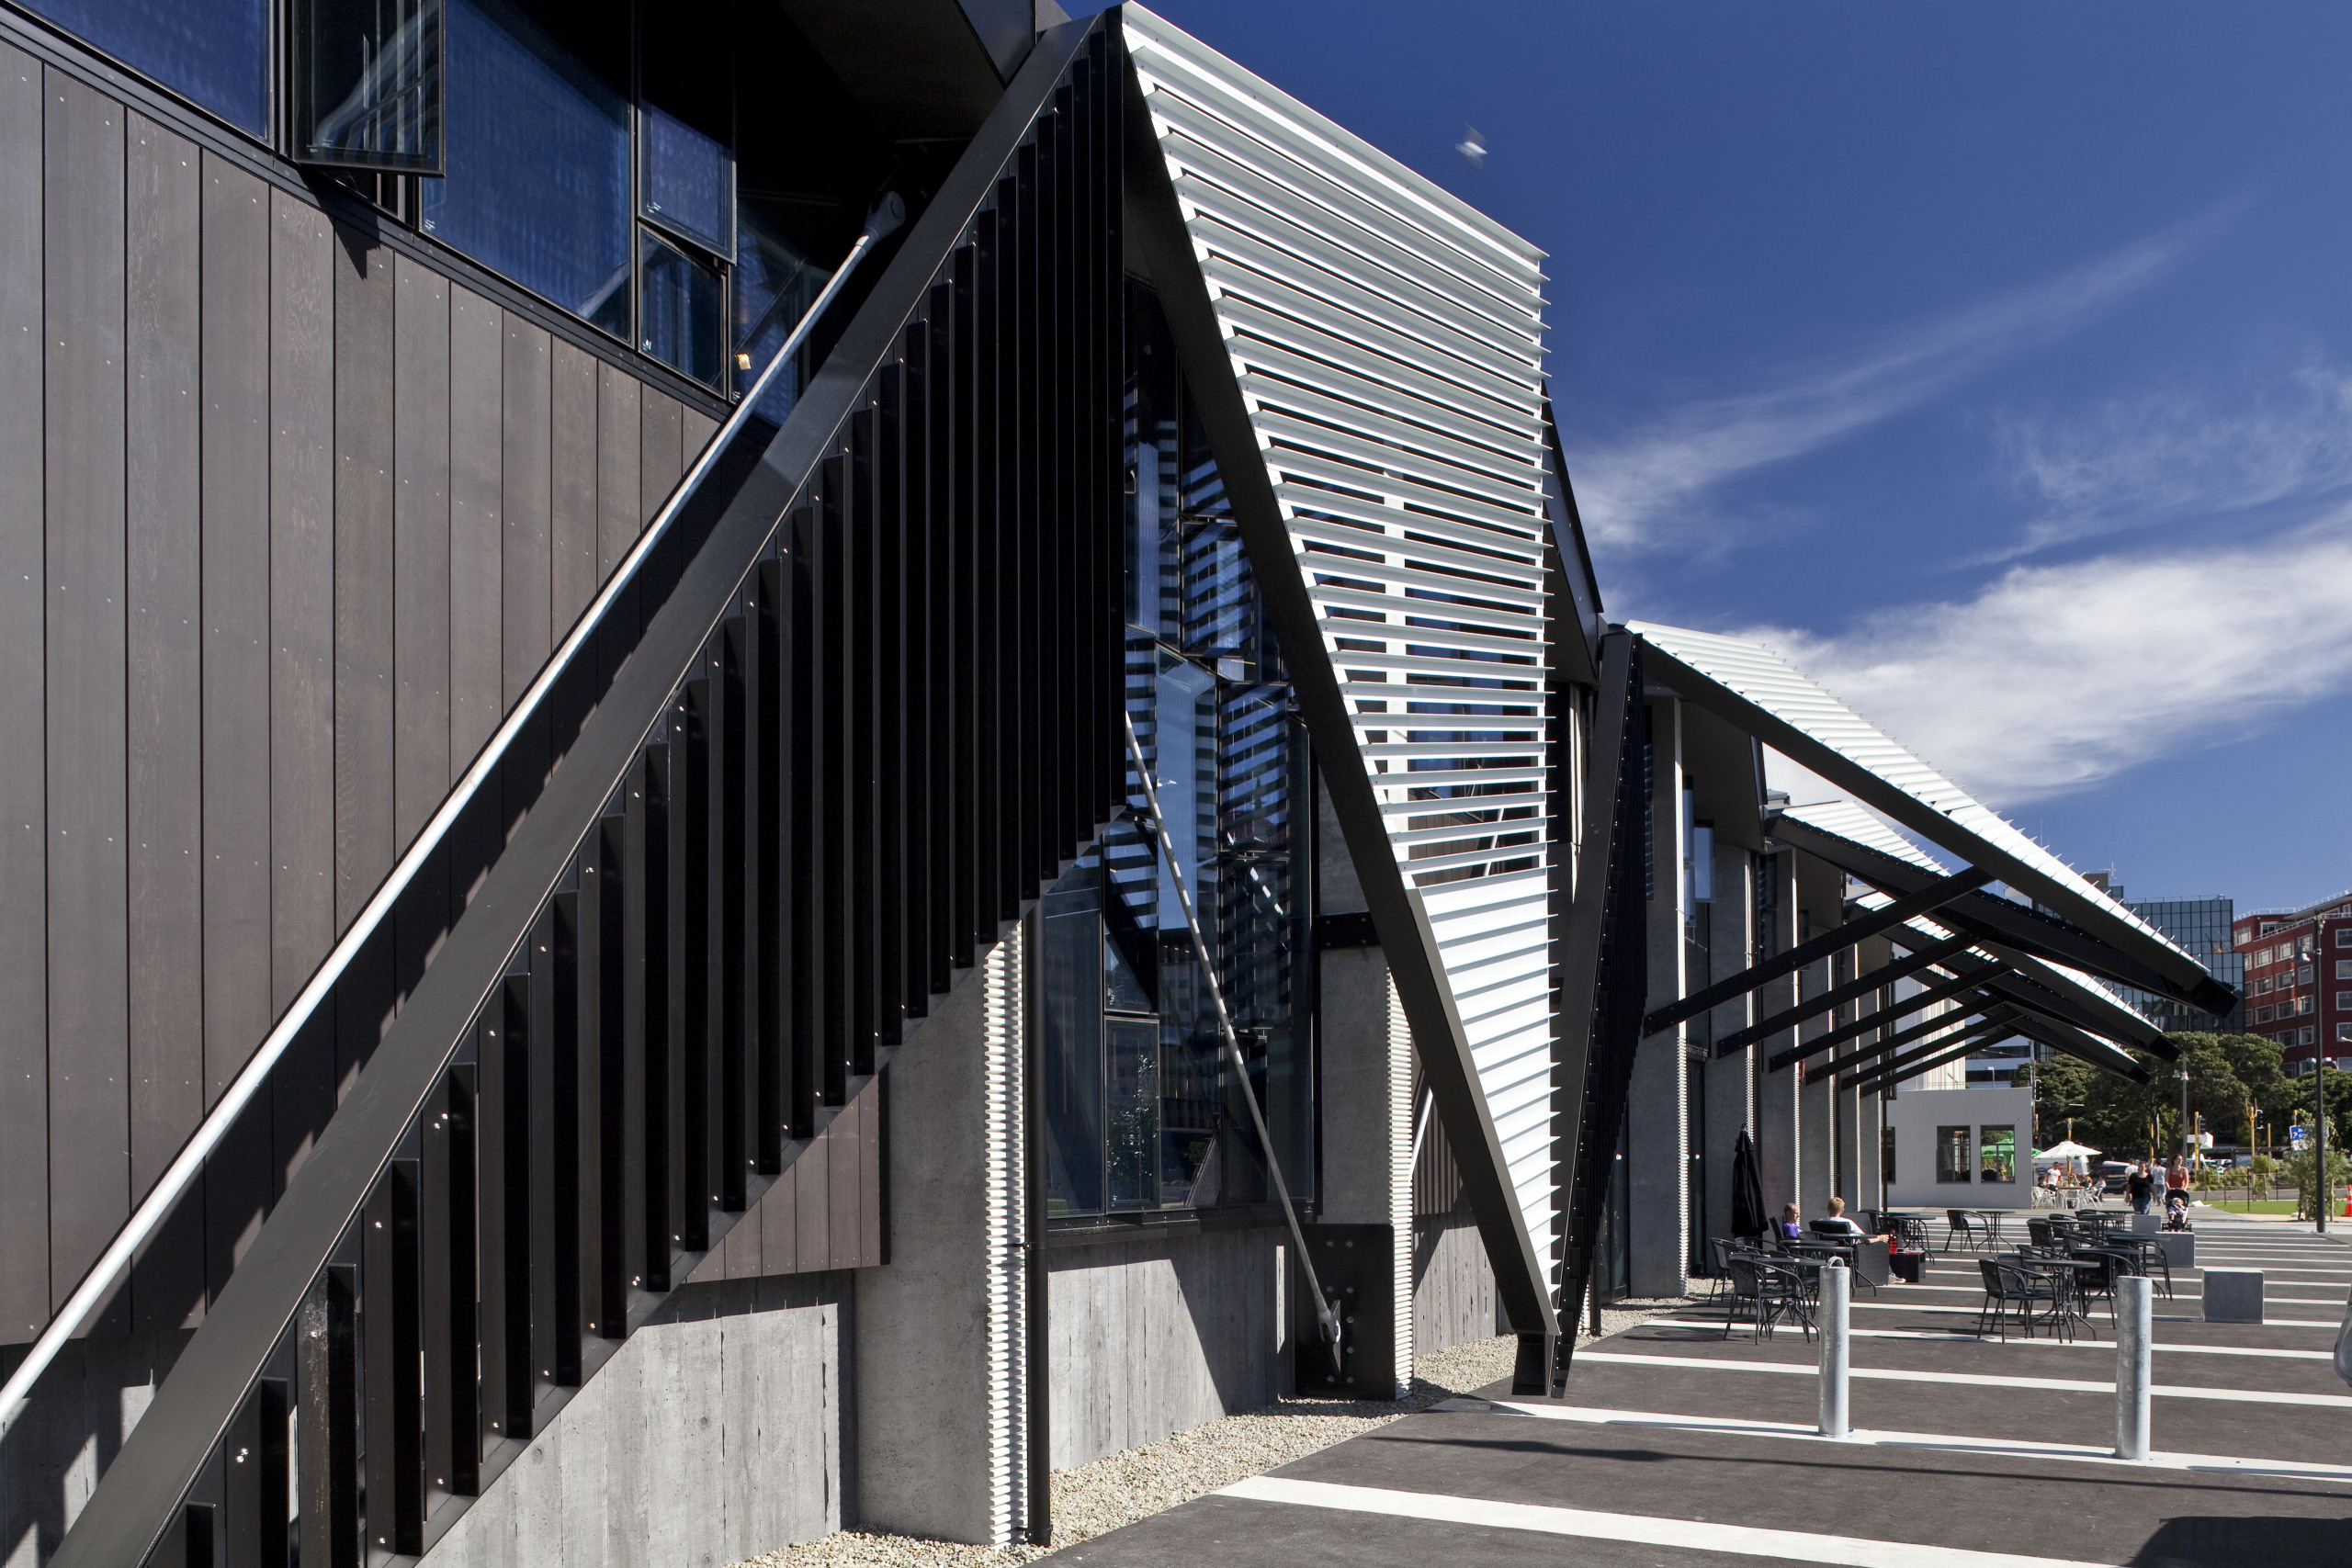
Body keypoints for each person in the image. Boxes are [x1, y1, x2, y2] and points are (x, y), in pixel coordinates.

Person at [1815, 1196, 1892, 1242]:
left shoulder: (1819, 1223)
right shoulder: (1847, 1223)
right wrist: (1879, 1238)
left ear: (1828, 1208)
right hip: (1846, 1254)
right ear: (1842, 1210)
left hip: (1825, 1253)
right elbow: (1867, 1240)